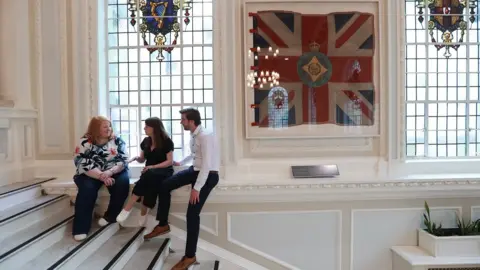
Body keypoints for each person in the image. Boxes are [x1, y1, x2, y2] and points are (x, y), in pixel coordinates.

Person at [144, 108, 219, 270]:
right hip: (195, 170)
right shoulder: (195, 135)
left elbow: (206, 164)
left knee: (192, 214)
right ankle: (163, 224)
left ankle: (189, 257)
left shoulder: (205, 136)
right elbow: (195, 156)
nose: (181, 122)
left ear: (191, 121)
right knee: (165, 185)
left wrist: (197, 188)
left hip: (208, 175)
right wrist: (181, 162)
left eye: (183, 119)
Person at [72, 116, 130, 241]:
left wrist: (109, 172)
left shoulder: (118, 141)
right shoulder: (85, 142)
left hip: (114, 170)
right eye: (105, 126)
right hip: (91, 172)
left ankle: (110, 217)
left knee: (122, 184)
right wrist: (101, 175)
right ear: (95, 128)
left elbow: (123, 160)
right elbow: (81, 161)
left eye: (109, 126)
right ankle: (80, 228)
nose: (108, 129)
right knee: (87, 189)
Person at [116, 117, 174, 226]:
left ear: (155, 128)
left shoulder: (166, 141)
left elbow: (169, 161)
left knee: (148, 176)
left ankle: (127, 209)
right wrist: (135, 158)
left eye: (147, 126)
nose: (144, 128)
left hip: (164, 171)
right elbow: (142, 159)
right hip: (149, 172)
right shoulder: (146, 141)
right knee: (148, 179)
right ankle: (143, 213)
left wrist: (153, 167)